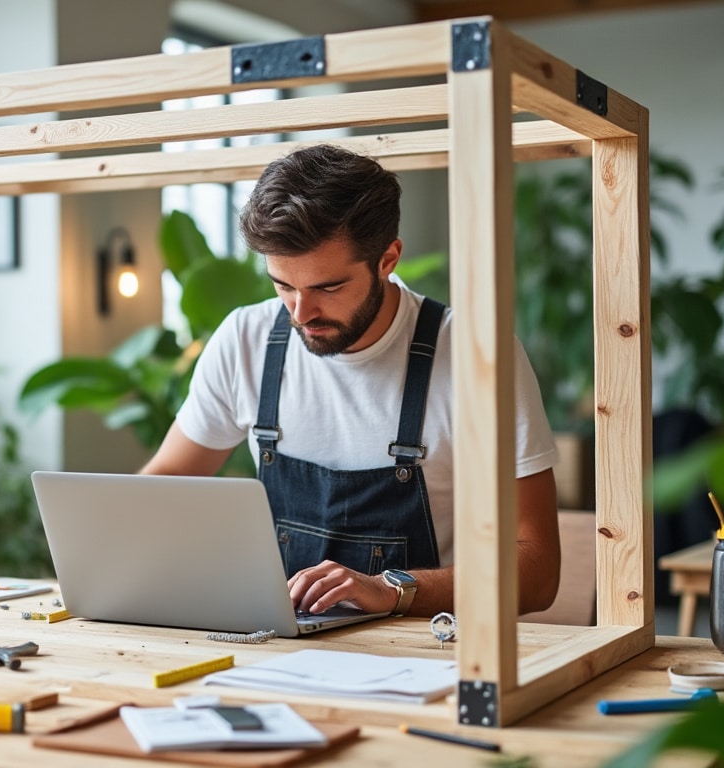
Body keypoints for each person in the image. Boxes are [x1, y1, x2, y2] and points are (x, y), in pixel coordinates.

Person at [141, 144, 561, 618]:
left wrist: (390, 589)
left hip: (419, 654)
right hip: (275, 648)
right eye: (283, 285)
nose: (301, 313)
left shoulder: (476, 355)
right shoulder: (246, 337)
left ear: (388, 259)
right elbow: (165, 485)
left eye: (327, 287)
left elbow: (539, 569)